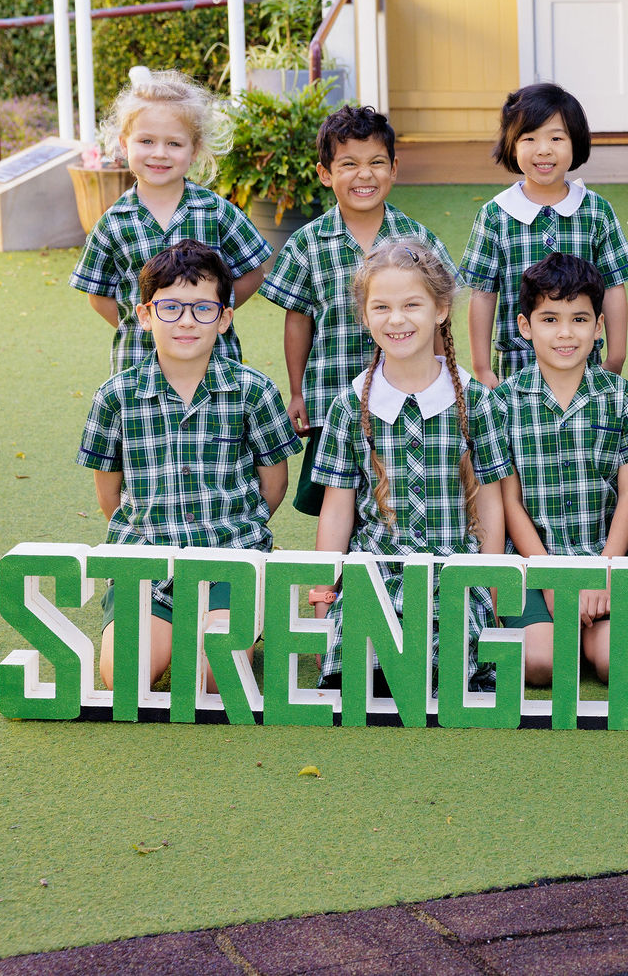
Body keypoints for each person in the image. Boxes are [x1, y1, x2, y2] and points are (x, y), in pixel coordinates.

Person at [77, 240, 297, 690]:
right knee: (123, 677)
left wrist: (239, 535)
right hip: (148, 562)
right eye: (171, 307)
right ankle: (172, 624)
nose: (186, 322)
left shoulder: (254, 391)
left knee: (215, 676)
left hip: (229, 558)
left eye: (202, 309)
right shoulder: (115, 397)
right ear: (144, 315)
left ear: (225, 317)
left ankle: (232, 615)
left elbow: (273, 486)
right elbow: (109, 494)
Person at [306, 239, 511, 690]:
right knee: (358, 679)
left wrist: (491, 583)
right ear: (365, 316)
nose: (396, 320)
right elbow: (338, 510)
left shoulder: (477, 404)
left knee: (440, 676)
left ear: (440, 309)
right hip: (373, 576)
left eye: (412, 305)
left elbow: (492, 505)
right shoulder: (348, 406)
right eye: (381, 307)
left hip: (454, 575)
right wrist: (324, 596)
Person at [261, 104, 453, 517]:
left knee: (398, 492)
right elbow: (298, 319)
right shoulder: (307, 243)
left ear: (394, 168)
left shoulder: (418, 239)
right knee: (337, 498)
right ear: (325, 174)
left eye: (376, 163)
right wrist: (297, 392)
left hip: (409, 398)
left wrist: (445, 377)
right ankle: (337, 576)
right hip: (333, 396)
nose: (364, 175)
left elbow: (439, 318)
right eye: (349, 164)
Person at [497, 253, 628, 689]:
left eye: (579, 319)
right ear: (525, 326)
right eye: (549, 319)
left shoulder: (620, 396)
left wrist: (604, 572)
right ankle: (558, 633)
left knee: (615, 663)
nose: (565, 333)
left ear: (599, 327)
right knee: (540, 663)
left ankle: (590, 634)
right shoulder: (504, 403)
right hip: (532, 569)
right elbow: (509, 501)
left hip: (604, 561)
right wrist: (551, 581)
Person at [70, 69, 271, 375]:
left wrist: (209, 315)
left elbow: (253, 273)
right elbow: (97, 295)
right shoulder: (112, 223)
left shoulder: (217, 212)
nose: (160, 154)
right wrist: (152, 324)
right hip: (139, 366)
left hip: (213, 366)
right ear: (125, 145)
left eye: (174, 144)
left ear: (195, 150)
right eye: (147, 141)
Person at [462, 83, 628, 386]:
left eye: (556, 138)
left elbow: (613, 287)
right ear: (511, 145)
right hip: (517, 367)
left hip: (583, 362)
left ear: (576, 142)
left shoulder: (596, 211)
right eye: (529, 138)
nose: (543, 149)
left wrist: (616, 356)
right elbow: (482, 293)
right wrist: (481, 368)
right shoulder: (495, 215)